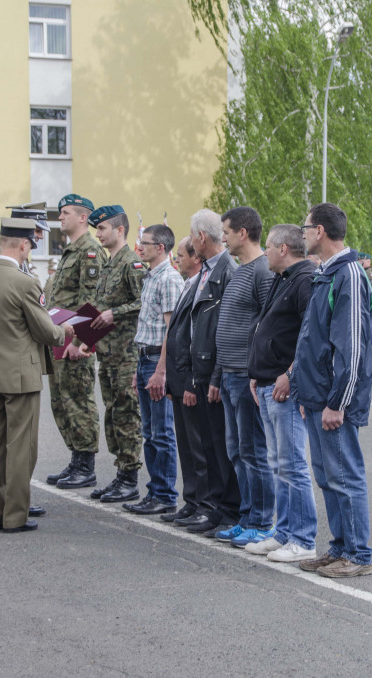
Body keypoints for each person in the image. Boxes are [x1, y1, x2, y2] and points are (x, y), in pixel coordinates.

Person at [0, 216, 73, 533]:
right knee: (21, 447)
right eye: (30, 245)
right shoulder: (25, 283)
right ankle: (14, 517)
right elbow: (44, 331)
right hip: (20, 376)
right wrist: (62, 329)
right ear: (24, 245)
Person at [292, 202, 372, 578]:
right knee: (328, 476)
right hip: (318, 398)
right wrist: (305, 391)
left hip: (333, 401)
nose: (303, 234)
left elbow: (353, 347)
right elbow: (314, 340)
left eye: (305, 227)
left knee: (345, 476)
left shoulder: (349, 275)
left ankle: (358, 555)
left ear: (321, 231)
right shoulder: (327, 273)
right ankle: (340, 547)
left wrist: (336, 403)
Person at [246, 224, 318, 562]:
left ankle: (303, 539)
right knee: (278, 464)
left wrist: (290, 374)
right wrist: (256, 373)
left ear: (283, 249)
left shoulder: (304, 279)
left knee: (292, 465)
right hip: (266, 384)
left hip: (284, 389)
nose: (266, 253)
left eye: (269, 248)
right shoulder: (283, 277)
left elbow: (309, 334)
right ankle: (285, 532)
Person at [212, 207, 275, 549]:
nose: (223, 237)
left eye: (226, 231)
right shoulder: (241, 271)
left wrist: (255, 371)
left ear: (244, 232)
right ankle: (248, 517)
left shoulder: (262, 271)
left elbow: (269, 324)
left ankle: (263, 522)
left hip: (247, 378)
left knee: (254, 452)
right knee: (237, 450)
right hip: (231, 375)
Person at [176, 208, 240, 537]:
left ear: (202, 237)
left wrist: (215, 376)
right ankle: (214, 506)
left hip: (214, 373)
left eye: (192, 234)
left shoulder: (228, 271)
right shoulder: (206, 271)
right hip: (200, 370)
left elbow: (226, 331)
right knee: (210, 445)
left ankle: (227, 509)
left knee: (220, 445)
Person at [82, 205, 146, 502]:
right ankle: (120, 472)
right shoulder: (109, 264)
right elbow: (97, 307)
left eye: (103, 228)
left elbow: (146, 302)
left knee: (126, 415)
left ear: (120, 230)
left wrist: (114, 313)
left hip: (126, 354)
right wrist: (85, 339)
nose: (98, 233)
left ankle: (130, 477)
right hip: (108, 354)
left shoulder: (131, 263)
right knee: (112, 414)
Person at [43, 194, 107, 490]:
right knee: (62, 402)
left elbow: (93, 300)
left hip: (75, 341)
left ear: (83, 217)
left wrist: (82, 341)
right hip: (60, 336)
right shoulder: (70, 250)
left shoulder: (90, 250)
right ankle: (75, 458)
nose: (60, 217)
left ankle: (86, 465)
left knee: (79, 400)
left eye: (65, 213)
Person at [124, 223, 185, 514]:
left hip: (156, 362)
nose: (140, 247)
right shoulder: (151, 277)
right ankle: (156, 491)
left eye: (144, 243)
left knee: (162, 432)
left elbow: (171, 332)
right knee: (149, 432)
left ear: (160, 248)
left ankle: (165, 495)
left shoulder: (169, 279)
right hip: (145, 359)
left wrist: (161, 371)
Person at [161, 236, 205, 524]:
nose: (176, 259)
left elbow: (196, 338)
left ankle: (204, 502)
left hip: (191, 379)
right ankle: (191, 500)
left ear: (196, 257)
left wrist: (189, 381)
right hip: (178, 379)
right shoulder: (188, 283)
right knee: (186, 447)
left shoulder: (201, 283)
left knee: (199, 446)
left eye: (181, 255)